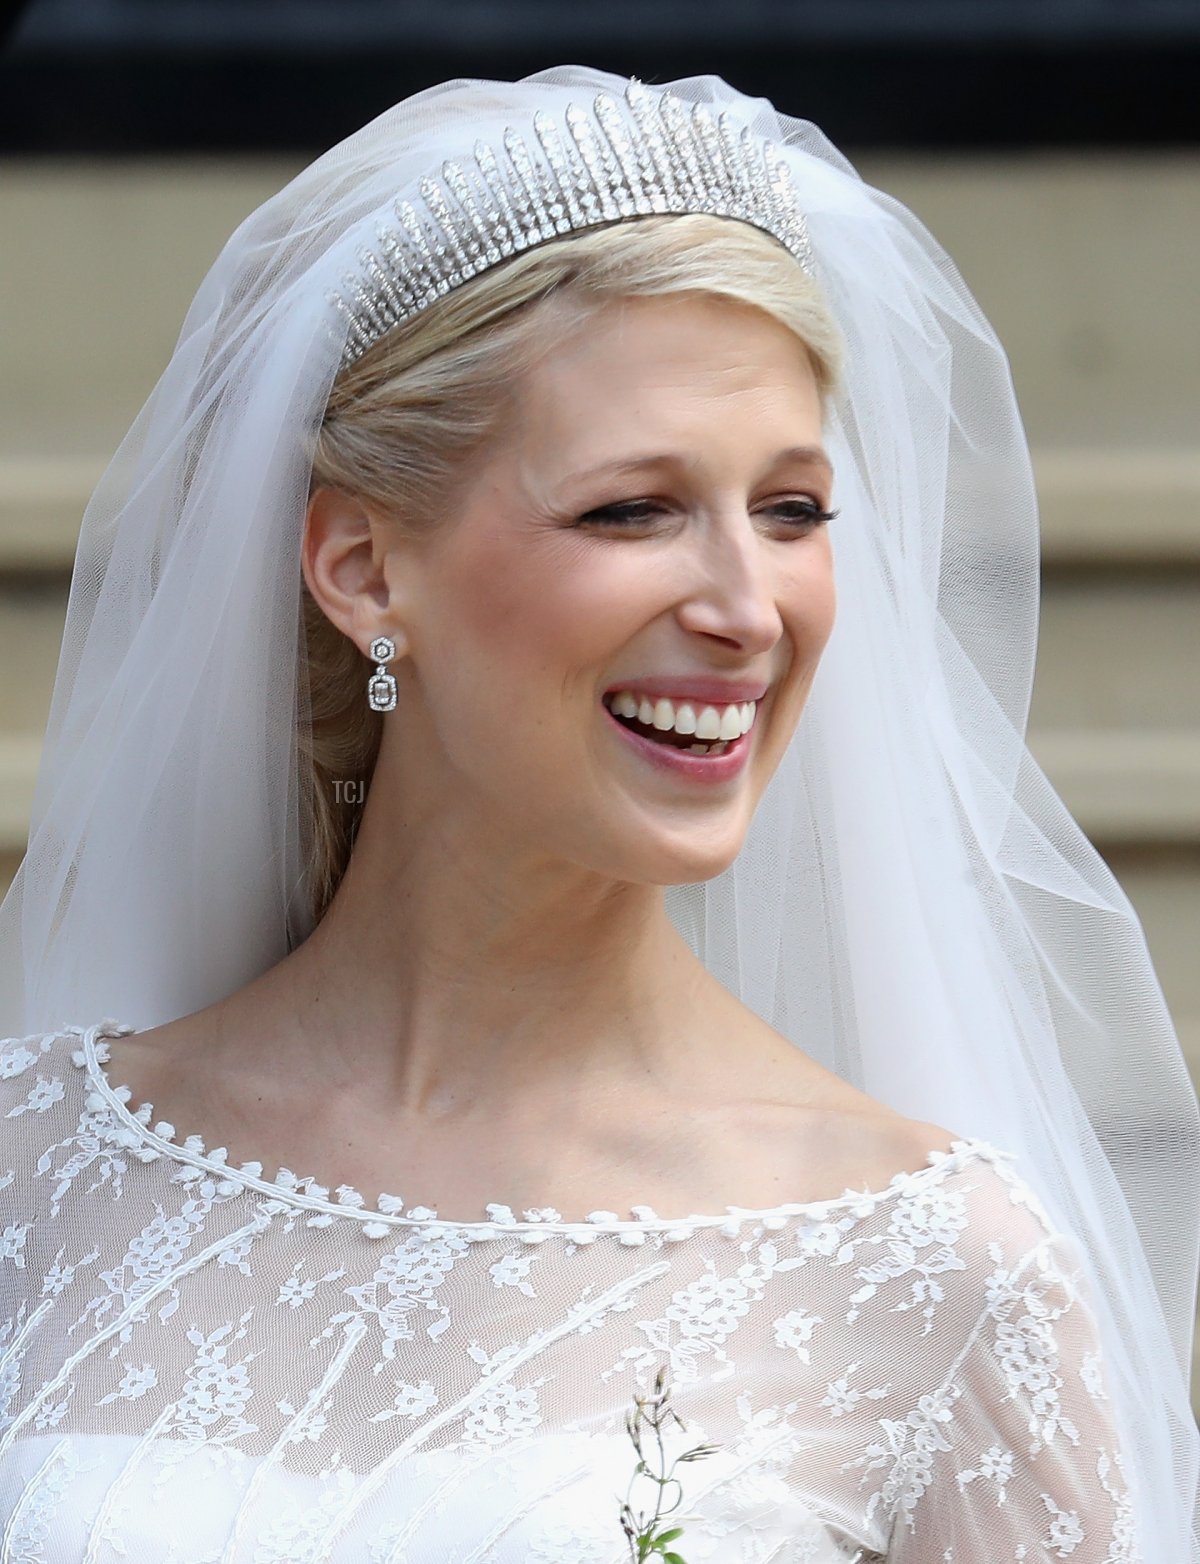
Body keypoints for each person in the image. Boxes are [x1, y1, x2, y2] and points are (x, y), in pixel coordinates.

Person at [0, 65, 1195, 1562]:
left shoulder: (930, 1280)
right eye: (633, 509)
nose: (748, 611)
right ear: (364, 569)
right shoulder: (33, 1171)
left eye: (793, 510)